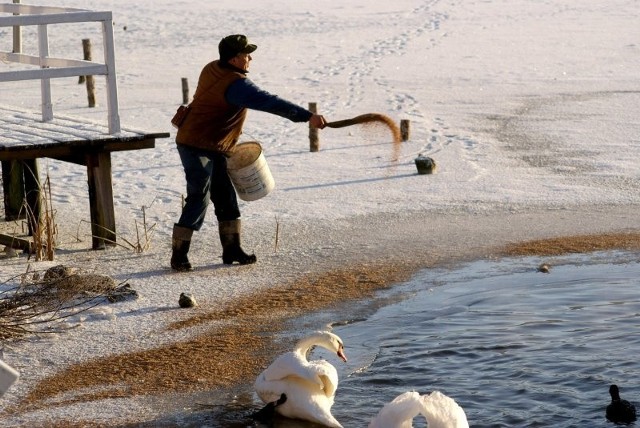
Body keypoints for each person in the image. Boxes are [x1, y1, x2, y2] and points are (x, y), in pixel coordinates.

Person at [171, 34, 327, 272]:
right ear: (234, 60)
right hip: (194, 144)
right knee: (199, 195)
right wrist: (307, 116)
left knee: (225, 195)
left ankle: (232, 249)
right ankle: (179, 256)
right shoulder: (236, 86)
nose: (250, 58)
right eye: (246, 55)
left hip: (214, 145)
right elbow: (269, 102)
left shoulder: (212, 67)